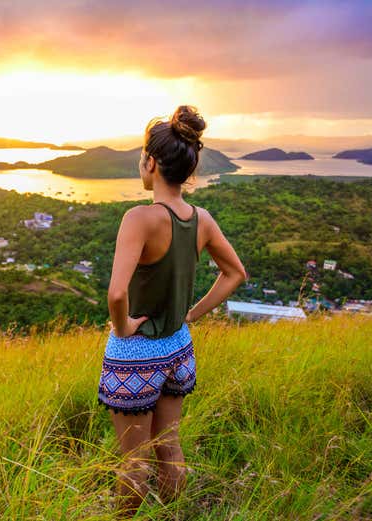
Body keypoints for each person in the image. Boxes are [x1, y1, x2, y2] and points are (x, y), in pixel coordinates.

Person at [98, 105, 247, 515]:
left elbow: (115, 295)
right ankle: (172, 514)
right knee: (170, 446)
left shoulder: (140, 218)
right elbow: (235, 273)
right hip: (178, 349)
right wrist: (191, 315)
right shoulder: (201, 219)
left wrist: (123, 325)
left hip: (136, 355)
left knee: (135, 459)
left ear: (150, 162)